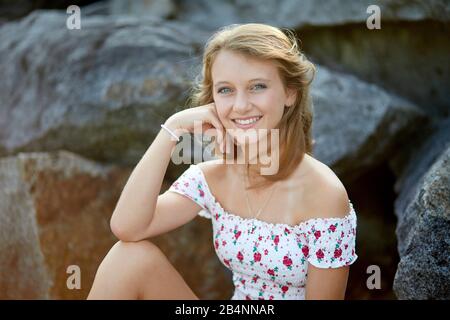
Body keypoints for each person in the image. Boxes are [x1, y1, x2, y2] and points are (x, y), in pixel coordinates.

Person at [87, 23, 358, 300]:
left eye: (257, 87)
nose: (240, 106)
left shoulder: (324, 193)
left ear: (290, 92)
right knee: (129, 258)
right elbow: (128, 228)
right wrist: (171, 129)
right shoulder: (211, 178)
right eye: (226, 90)